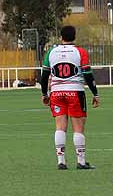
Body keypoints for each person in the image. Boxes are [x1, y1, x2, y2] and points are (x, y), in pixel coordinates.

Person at [39, 25, 100, 170]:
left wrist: (44, 94)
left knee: (60, 127)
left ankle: (61, 161)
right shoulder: (80, 52)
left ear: (61, 37)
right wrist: (95, 93)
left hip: (57, 93)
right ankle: (81, 161)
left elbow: (44, 76)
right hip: (75, 92)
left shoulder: (51, 52)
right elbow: (88, 75)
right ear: (74, 37)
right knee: (78, 128)